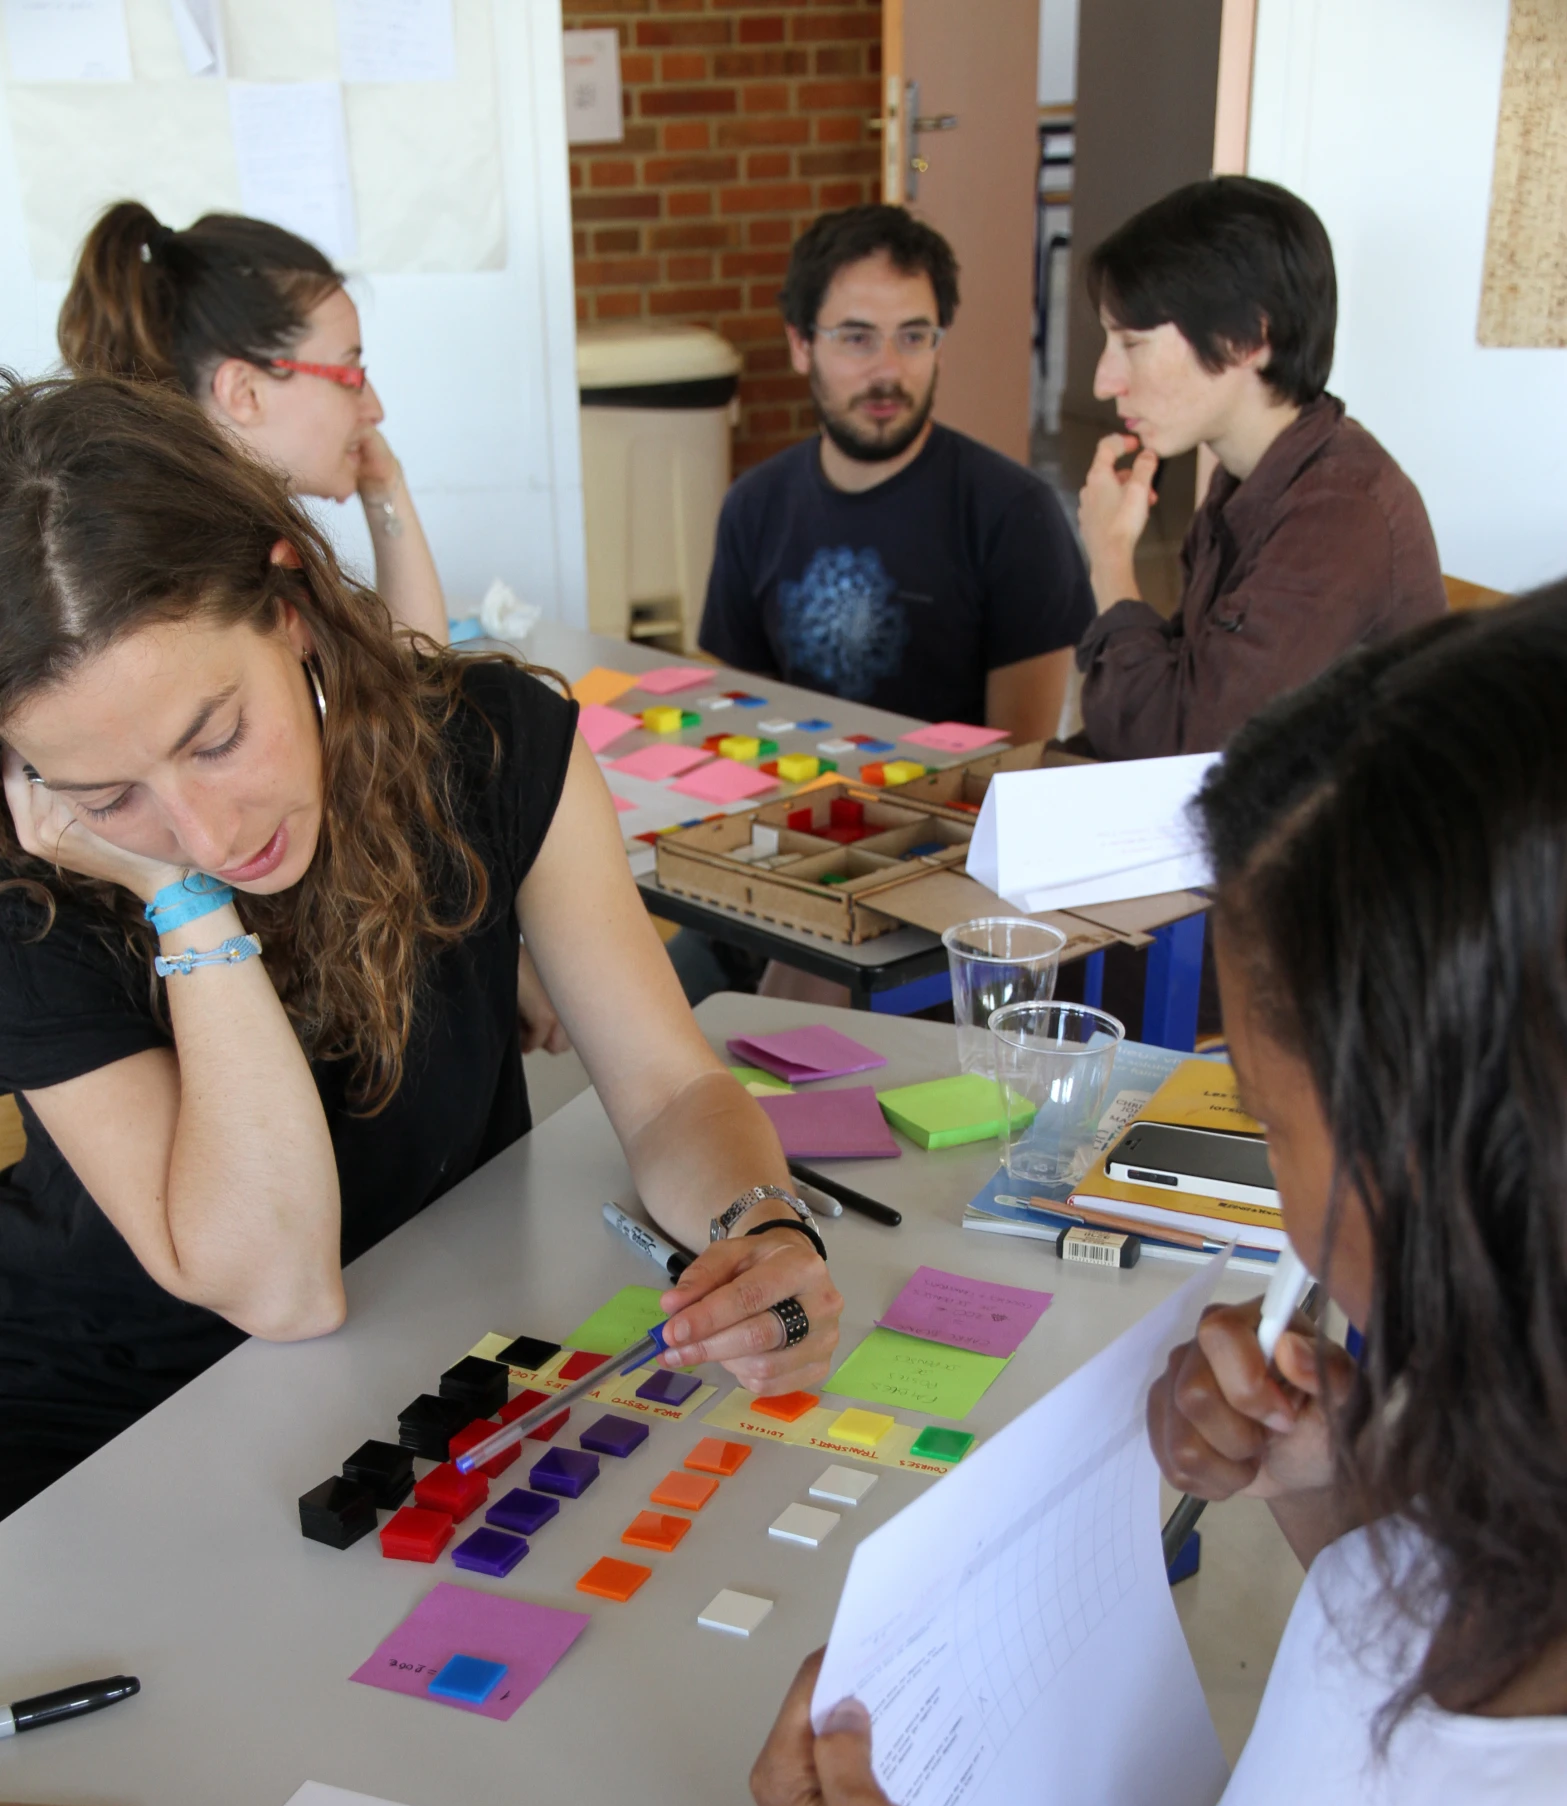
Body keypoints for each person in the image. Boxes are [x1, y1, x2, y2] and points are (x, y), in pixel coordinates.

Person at [752, 590, 1567, 1806]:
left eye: (1265, 1125)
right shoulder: (1507, 1458)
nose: (1269, 1198)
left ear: (1461, 1165)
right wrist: (1339, 1495)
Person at [0, 374, 842, 1518]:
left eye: (218, 736)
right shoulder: (34, 888)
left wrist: (761, 1224)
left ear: (287, 601)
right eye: (107, 794)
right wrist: (180, 903)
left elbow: (666, 1092)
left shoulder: (488, 747)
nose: (207, 831)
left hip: (419, 1382)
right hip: (107, 1439)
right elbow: (280, 1284)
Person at [1076, 177, 1446, 761]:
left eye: (1133, 344)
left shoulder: (1342, 511)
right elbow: (1167, 699)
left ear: (1248, 338)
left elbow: (1177, 750)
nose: (1105, 381)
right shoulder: (1246, 479)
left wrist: (1110, 560)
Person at [700, 204, 1094, 744]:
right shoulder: (753, 506)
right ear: (801, 344)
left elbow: (1015, 768)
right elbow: (739, 723)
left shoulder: (1014, 515)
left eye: (913, 337)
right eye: (857, 338)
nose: (887, 371)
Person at [58, 201, 447, 647]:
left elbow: (412, 683)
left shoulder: (225, 542)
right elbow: (420, 696)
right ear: (244, 392)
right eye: (350, 375)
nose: (374, 409)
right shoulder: (208, 594)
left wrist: (383, 487)